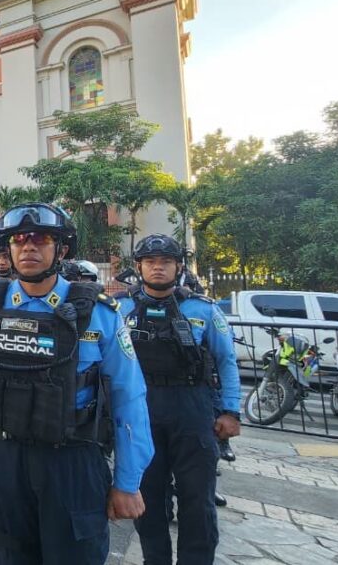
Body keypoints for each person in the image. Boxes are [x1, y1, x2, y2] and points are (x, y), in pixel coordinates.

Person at [0, 203, 153, 564]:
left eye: (41, 239)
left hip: (71, 461)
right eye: (19, 240)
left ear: (60, 250)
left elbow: (130, 398)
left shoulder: (98, 313)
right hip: (3, 459)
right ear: (9, 250)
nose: (29, 247)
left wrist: (128, 480)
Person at [119, 234, 240, 565]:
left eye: (166, 262)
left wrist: (230, 411)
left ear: (178, 267)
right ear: (138, 267)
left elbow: (227, 360)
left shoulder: (202, 309)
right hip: (141, 411)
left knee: (197, 498)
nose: (158, 267)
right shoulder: (121, 308)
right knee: (149, 497)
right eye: (150, 262)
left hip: (192, 408)